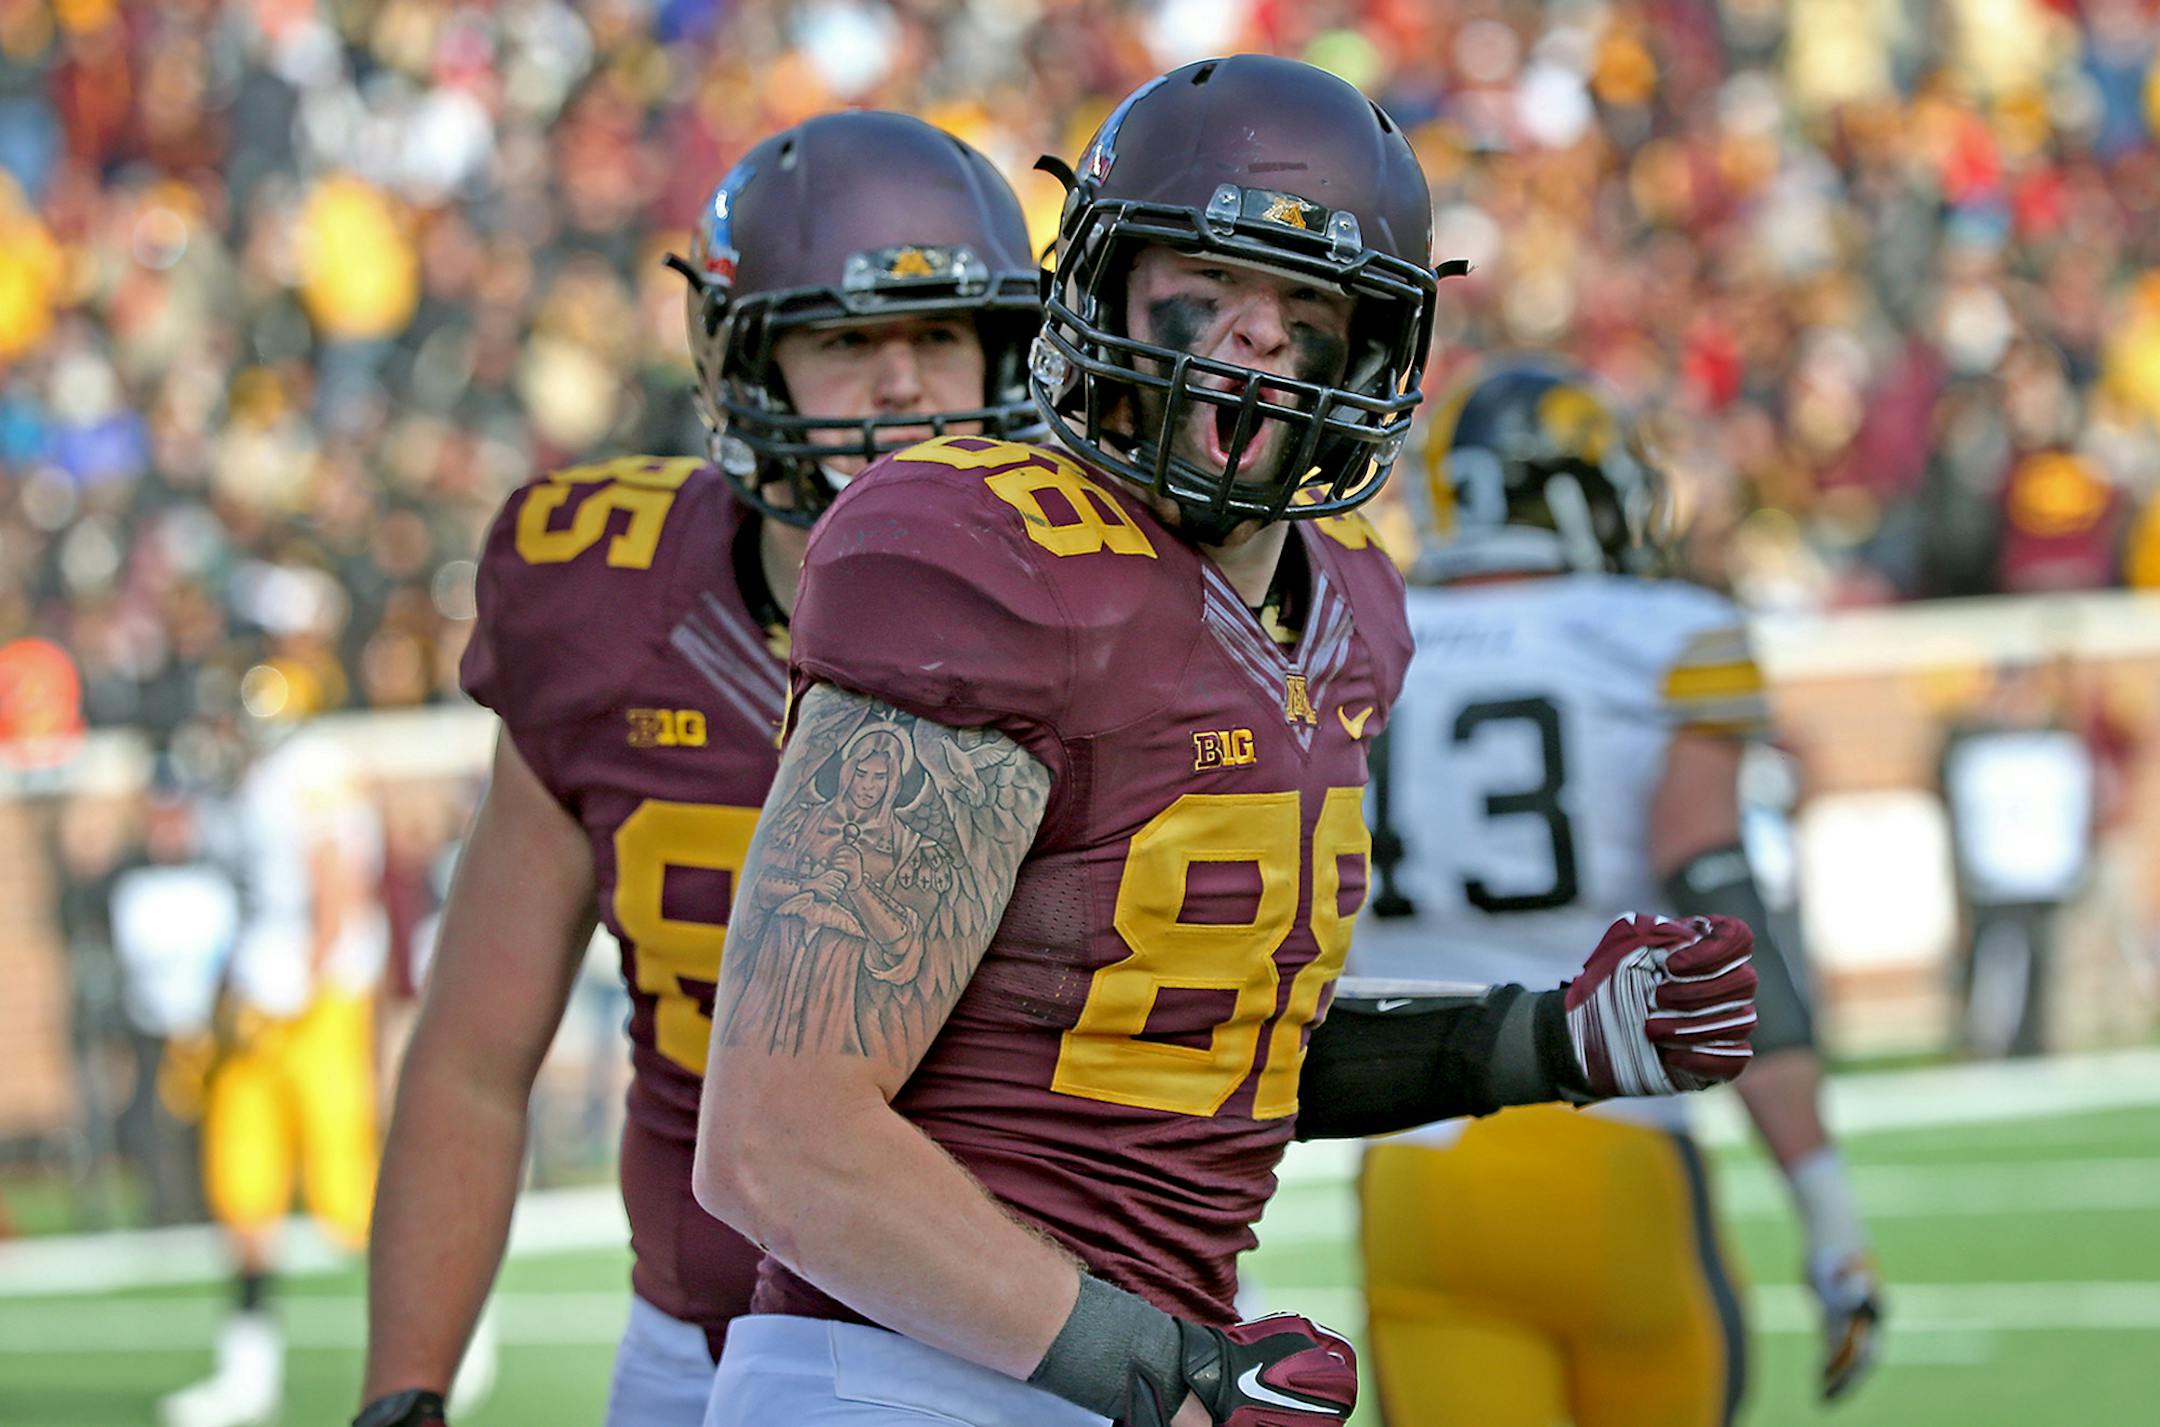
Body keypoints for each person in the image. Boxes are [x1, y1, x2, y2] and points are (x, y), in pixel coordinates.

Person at [691, 57, 1759, 1427]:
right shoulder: (982, 551)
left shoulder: (1350, 606)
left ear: (1375, 346)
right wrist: (1162, 1369)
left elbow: (1211, 1051)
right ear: (1105, 287)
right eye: (1210, 279)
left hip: (1100, 1366)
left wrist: (1540, 1040)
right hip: (909, 1370)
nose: (1255, 335)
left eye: (1304, 302)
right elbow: (781, 1142)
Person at [354, 111, 1044, 1427]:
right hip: (700, 1347)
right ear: (750, 365)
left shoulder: (1101, 608)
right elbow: (472, 1055)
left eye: (942, 335)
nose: (905, 386)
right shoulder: (603, 603)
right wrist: (406, 1391)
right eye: (847, 342)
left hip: (1014, 1352)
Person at [1351, 358, 1884, 1427]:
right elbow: (1726, 917)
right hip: (1608, 1156)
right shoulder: (1659, 634)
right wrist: (1825, 1206)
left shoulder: (1353, 635)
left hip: (1409, 1170)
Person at [161, 684, 389, 1427]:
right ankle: (247, 1371)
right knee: (243, 1190)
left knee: (344, 1193)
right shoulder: (245, 782)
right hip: (254, 1007)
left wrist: (303, 981)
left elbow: (335, 888)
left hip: (312, 1004)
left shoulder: (309, 770)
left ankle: (445, 1326)